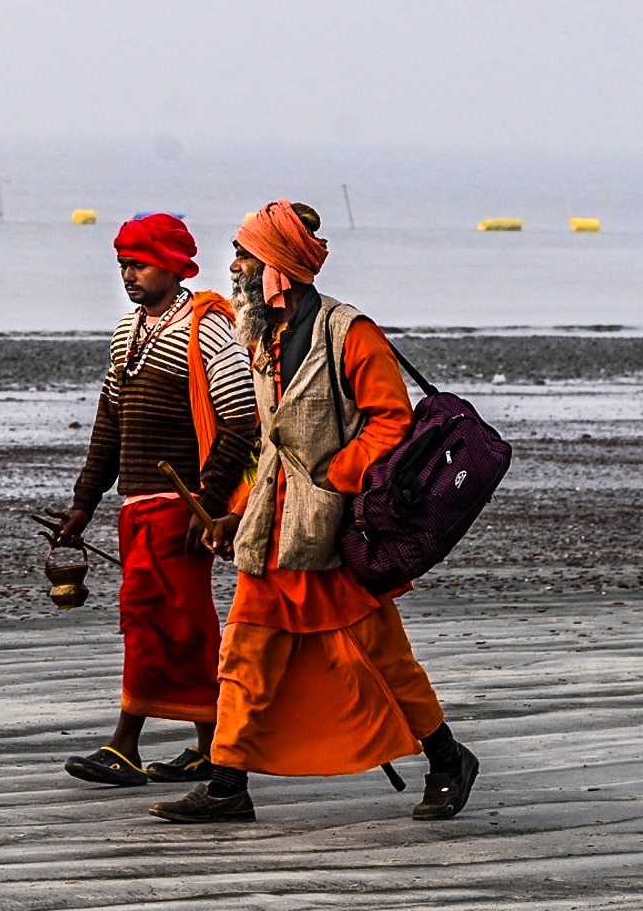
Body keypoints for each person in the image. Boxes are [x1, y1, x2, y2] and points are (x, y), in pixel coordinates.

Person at [149, 199, 478, 824]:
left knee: (383, 655)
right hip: (273, 534)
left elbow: (393, 421)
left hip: (335, 535)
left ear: (276, 266)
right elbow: (273, 450)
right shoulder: (263, 338)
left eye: (245, 256)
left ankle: (446, 758)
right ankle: (226, 786)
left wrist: (336, 475)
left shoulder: (349, 333)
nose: (236, 268)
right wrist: (237, 516)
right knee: (243, 658)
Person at [58, 212, 258, 789]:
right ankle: (209, 745)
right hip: (135, 506)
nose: (129, 274)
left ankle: (124, 746)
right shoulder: (128, 331)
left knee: (150, 618)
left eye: (140, 264)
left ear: (174, 267)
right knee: (184, 625)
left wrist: (210, 504)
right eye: (123, 264)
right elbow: (109, 421)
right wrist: (84, 502)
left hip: (182, 507)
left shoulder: (208, 329)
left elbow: (241, 422)